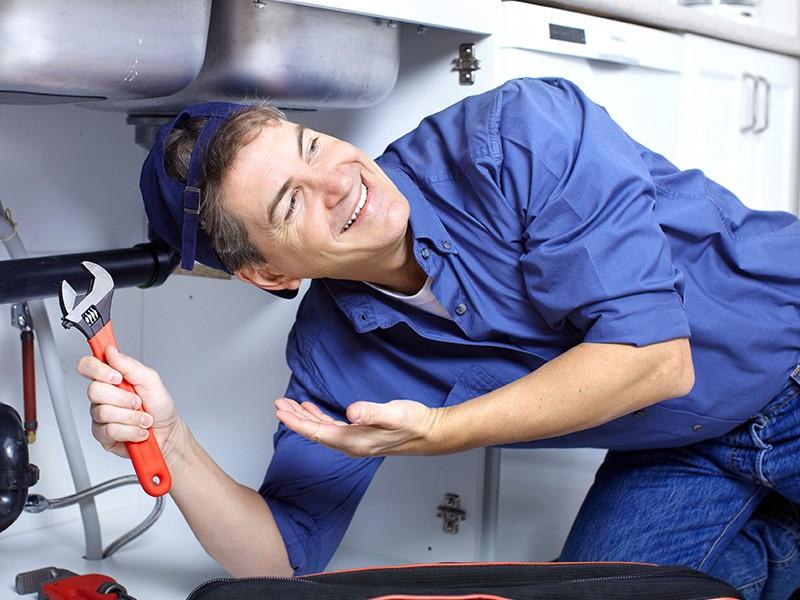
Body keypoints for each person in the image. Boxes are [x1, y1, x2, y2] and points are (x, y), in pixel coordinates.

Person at [77, 78, 800, 600]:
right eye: (292, 202)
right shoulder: (336, 355)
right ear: (268, 272)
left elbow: (655, 361)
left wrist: (439, 431)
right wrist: (169, 441)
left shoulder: (516, 134)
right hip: (685, 448)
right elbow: (281, 558)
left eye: (312, 144)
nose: (338, 181)